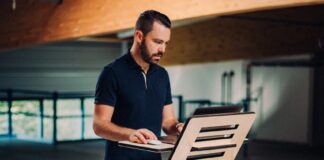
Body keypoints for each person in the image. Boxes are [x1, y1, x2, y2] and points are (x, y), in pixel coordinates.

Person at [93, 10, 184, 160]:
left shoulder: (162, 75)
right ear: (139, 36)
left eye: (166, 43)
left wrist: (178, 127)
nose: (163, 50)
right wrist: (129, 134)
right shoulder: (112, 73)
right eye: (157, 42)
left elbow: (168, 121)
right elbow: (99, 125)